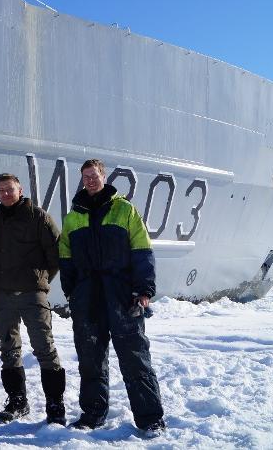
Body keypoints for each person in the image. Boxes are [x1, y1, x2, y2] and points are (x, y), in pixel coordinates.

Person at [59, 159, 166, 436]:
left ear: (103, 177)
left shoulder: (124, 210)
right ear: (82, 179)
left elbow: (142, 250)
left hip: (121, 295)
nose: (90, 180)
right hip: (88, 298)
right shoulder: (73, 217)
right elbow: (66, 258)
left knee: (134, 357)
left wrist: (144, 289)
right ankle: (93, 413)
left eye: (94, 175)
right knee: (90, 358)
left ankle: (150, 417)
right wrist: (72, 291)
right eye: (86, 176)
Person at [0, 173, 67, 425]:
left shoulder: (38, 217)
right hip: (3, 295)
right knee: (8, 349)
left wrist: (39, 282)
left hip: (33, 295)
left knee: (44, 347)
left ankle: (55, 403)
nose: (5, 194)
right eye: (1, 190)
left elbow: (56, 255)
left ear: (20, 190)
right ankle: (17, 401)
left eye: (10, 189)